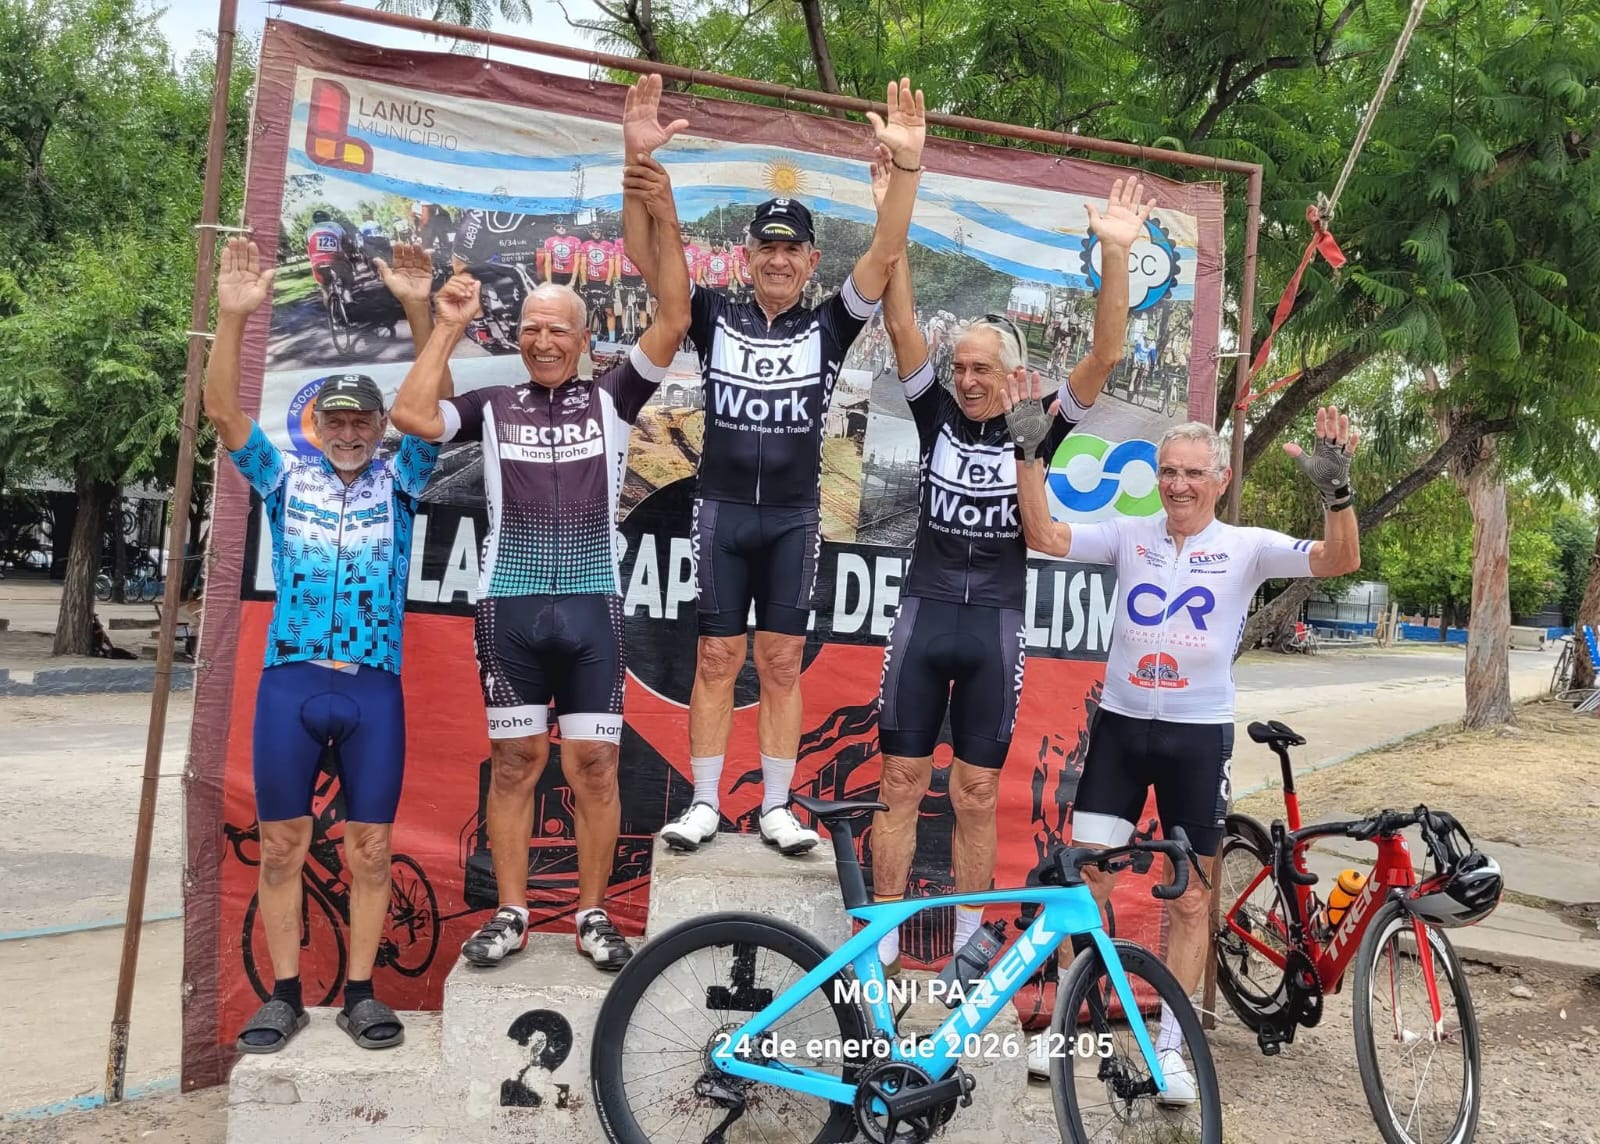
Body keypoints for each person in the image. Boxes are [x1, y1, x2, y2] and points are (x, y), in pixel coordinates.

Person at [1007, 392, 1361, 1091]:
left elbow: (1339, 559)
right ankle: (1066, 1029)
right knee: (1085, 882)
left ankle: (1171, 1049)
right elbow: (1043, 535)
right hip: (1120, 729)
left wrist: (1338, 495)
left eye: (1194, 473)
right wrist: (1028, 455)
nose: (1179, 485)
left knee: (1193, 898)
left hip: (1196, 737)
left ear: (1219, 479)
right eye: (1169, 471)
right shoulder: (1128, 534)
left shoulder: (1246, 547)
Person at [388, 153, 691, 971]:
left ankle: (593, 914)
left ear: (586, 340)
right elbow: (412, 413)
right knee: (516, 763)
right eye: (530, 329)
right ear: (516, 338)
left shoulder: (614, 398)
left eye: (559, 329)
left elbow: (674, 312)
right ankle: (513, 911)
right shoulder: (492, 406)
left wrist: (660, 206)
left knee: (596, 766)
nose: (544, 340)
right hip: (511, 608)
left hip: (591, 606)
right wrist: (446, 324)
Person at [618, 74, 927, 856]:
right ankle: (703, 802)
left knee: (782, 661)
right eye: (768, 248)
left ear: (811, 259)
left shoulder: (829, 326)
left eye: (793, 249)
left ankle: (778, 807)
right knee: (718, 655)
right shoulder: (709, 313)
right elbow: (646, 257)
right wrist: (641, 167)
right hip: (721, 510)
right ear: (747, 255)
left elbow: (886, 250)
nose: (780, 260)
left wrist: (907, 168)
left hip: (792, 517)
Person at [862, 146, 1149, 973]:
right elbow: (900, 322)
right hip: (925, 614)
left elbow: (1105, 353)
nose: (967, 379)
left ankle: (963, 952)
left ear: (1014, 374)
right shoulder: (935, 413)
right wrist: (892, 214)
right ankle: (881, 948)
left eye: (981, 368)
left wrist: (1116, 253)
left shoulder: (1039, 425)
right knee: (900, 784)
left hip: (993, 622)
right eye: (960, 367)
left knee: (977, 791)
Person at [204, 237, 449, 1053]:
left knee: (372, 850)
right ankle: (283, 996)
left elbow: (433, 405)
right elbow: (223, 414)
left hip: (372, 686)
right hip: (292, 684)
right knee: (282, 846)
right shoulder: (284, 479)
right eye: (335, 420)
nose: (348, 431)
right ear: (316, 425)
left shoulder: (403, 480)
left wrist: (418, 310)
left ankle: (361, 993)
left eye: (361, 420)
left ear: (380, 428)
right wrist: (232, 319)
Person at [306, 209, 356, 304]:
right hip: (335, 258)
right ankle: (346, 294)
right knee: (348, 277)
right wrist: (351, 252)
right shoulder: (336, 225)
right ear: (328, 218)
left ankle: (330, 311)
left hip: (317, 261)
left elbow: (308, 247)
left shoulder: (309, 230)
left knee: (325, 289)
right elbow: (346, 242)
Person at [579, 223, 617, 344]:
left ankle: (612, 338)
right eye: (594, 231)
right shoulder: (585, 245)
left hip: (605, 281)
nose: (596, 233)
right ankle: (594, 336)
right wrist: (584, 283)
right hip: (592, 281)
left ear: (602, 232)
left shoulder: (609, 245)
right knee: (592, 310)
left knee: (608, 311)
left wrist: (608, 283)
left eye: (598, 231)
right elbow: (583, 266)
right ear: (591, 233)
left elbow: (612, 266)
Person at [540, 221, 580, 287]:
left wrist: (572, 282)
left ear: (567, 228)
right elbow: (548, 262)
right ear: (555, 229)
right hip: (556, 274)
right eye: (558, 227)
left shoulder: (576, 240)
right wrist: (549, 282)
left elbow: (577, 262)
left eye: (563, 227)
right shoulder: (549, 241)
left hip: (571, 273)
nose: (561, 229)